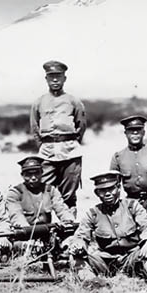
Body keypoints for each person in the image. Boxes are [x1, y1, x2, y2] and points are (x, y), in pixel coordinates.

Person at [66, 171, 147, 290]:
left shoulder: (132, 206)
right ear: (97, 193)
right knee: (75, 258)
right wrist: (79, 245)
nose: (107, 193)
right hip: (105, 261)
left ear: (119, 188)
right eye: (102, 190)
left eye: (111, 189)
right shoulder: (93, 214)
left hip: (131, 257)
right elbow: (81, 235)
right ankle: (91, 281)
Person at [30, 60, 87, 215]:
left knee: (69, 194)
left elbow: (81, 125)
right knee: (44, 193)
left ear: (64, 78)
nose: (55, 80)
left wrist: (70, 142)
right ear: (46, 79)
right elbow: (35, 128)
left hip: (70, 151)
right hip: (47, 152)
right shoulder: (39, 102)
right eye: (51, 76)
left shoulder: (74, 101)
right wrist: (43, 146)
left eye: (58, 76)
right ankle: (44, 232)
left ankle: (68, 232)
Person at [109, 115, 147, 213]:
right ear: (125, 133)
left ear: (143, 132)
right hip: (132, 202)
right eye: (131, 130)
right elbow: (113, 185)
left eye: (138, 130)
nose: (135, 133)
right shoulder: (118, 157)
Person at [6, 155, 75, 228]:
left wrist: (68, 220)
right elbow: (16, 214)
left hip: (46, 231)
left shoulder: (50, 190)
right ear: (22, 175)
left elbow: (61, 208)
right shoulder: (15, 193)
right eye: (28, 175)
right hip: (25, 232)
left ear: (42, 173)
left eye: (37, 173)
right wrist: (24, 226)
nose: (33, 178)